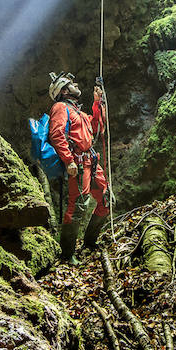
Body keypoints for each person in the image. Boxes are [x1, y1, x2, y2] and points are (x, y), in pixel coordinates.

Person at [48, 71, 111, 262]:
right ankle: (67, 254)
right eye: (72, 84)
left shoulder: (79, 113)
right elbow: (57, 134)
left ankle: (90, 242)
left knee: (106, 200)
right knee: (77, 207)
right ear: (64, 91)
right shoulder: (60, 107)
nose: (76, 85)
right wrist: (69, 161)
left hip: (91, 162)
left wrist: (97, 102)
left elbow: (96, 127)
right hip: (79, 164)